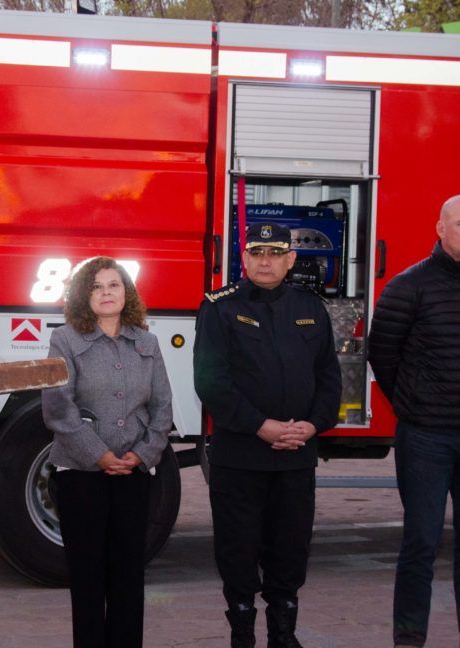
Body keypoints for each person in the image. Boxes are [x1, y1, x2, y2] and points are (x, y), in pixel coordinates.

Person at [367, 195, 460, 648]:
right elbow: (382, 353)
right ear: (440, 229)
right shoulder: (409, 286)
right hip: (427, 438)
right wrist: (413, 404)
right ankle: (409, 638)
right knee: (421, 545)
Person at [194, 224, 341, 648]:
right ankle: (242, 635)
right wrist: (261, 425)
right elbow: (211, 381)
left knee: (290, 551)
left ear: (290, 259)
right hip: (240, 457)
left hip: (296, 457)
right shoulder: (220, 307)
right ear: (244, 256)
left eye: (275, 253)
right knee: (237, 552)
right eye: (256, 252)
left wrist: (312, 425)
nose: (265, 260)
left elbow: (329, 378)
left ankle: (284, 635)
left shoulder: (310, 307)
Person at [42, 256, 172, 648]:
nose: (106, 293)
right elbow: (58, 408)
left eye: (114, 285)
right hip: (80, 475)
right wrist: (97, 454)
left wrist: (143, 454)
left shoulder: (147, 342)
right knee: (86, 576)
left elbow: (163, 407)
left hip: (134, 475)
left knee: (129, 574)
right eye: (96, 286)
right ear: (83, 295)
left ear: (126, 292)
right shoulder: (64, 340)